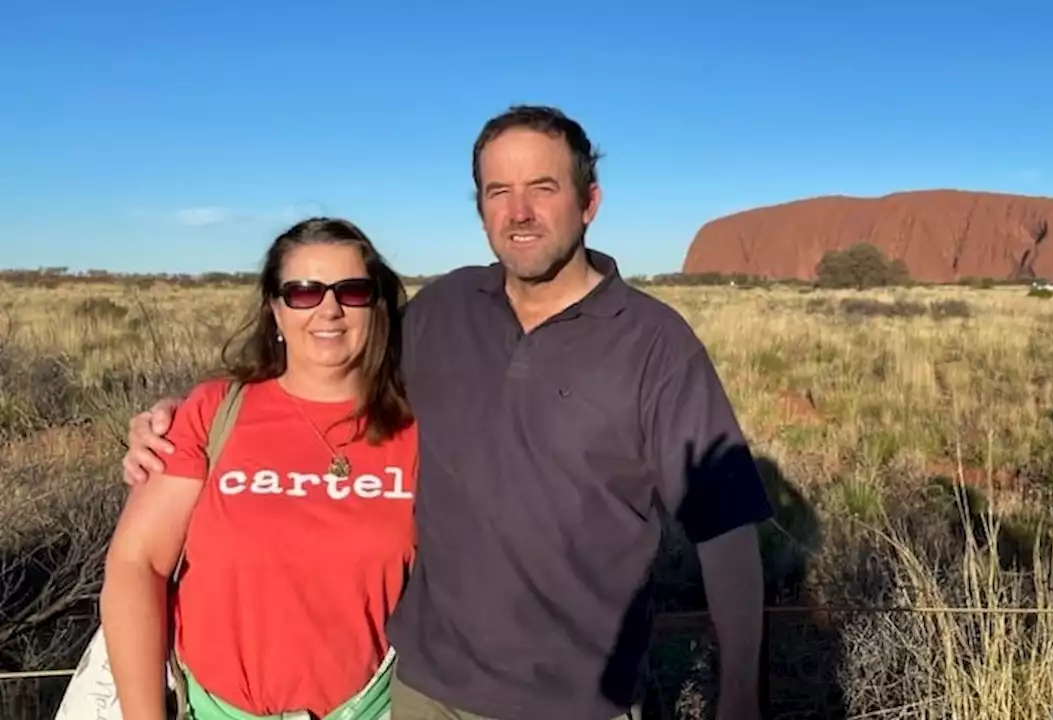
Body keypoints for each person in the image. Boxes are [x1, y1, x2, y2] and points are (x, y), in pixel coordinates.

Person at [121, 105, 773, 720]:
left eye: (543, 187)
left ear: (589, 202)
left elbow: (725, 530)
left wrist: (739, 695)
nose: (519, 212)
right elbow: (332, 367)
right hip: (424, 694)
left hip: (579, 701)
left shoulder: (655, 343)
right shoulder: (443, 311)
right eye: (498, 191)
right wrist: (176, 419)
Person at [102, 217, 417, 720]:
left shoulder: (418, 430)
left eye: (352, 291)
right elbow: (137, 565)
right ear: (274, 308)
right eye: (304, 292)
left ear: (376, 304)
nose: (329, 310)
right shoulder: (213, 413)